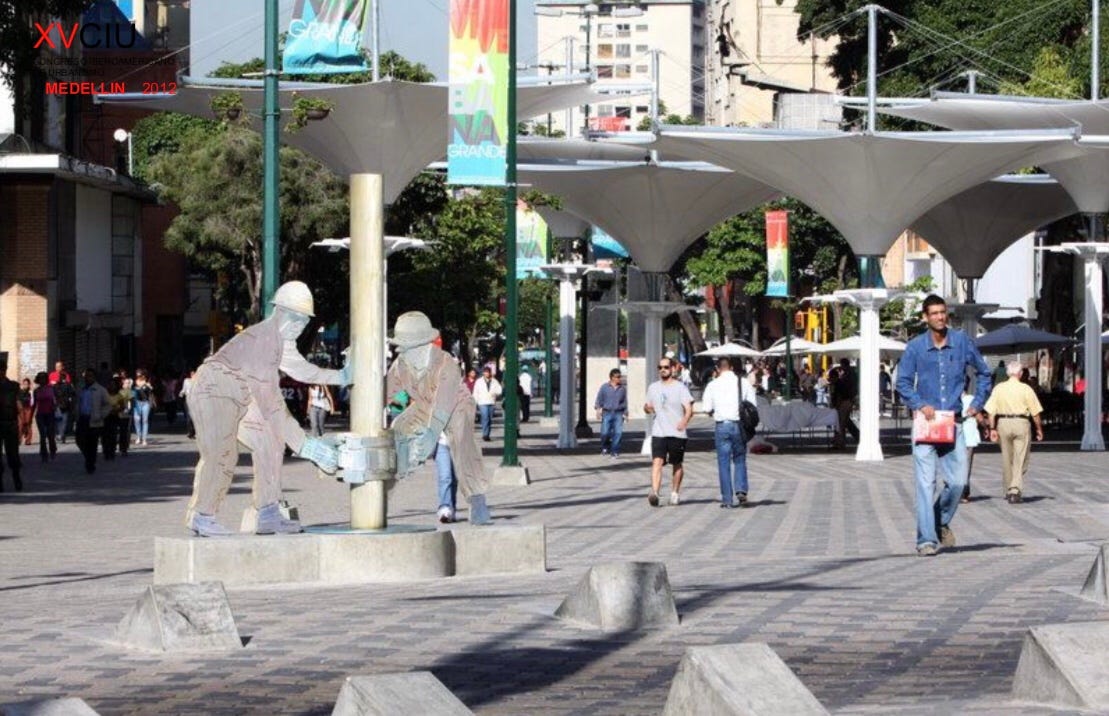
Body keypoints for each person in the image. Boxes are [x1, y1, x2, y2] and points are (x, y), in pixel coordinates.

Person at [184, 281, 347, 537]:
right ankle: (203, 515)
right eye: (300, 320)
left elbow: (304, 370)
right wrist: (307, 446)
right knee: (222, 453)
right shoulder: (264, 339)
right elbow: (271, 404)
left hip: (238, 392)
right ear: (282, 314)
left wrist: (343, 376)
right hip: (214, 388)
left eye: (305, 321)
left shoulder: (282, 341)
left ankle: (268, 513)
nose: (302, 326)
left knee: (270, 442)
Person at [896, 295, 991, 556]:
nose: (940, 317)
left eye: (943, 312)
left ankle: (938, 521)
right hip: (926, 424)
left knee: (959, 482)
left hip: (953, 422)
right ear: (925, 317)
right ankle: (926, 540)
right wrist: (918, 403)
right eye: (934, 313)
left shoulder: (961, 342)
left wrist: (978, 403)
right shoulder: (915, 347)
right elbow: (902, 382)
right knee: (926, 484)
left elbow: (984, 373)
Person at [387, 311, 491, 525]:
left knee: (462, 447)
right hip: (425, 405)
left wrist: (429, 435)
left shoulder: (445, 362)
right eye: (402, 346)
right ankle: (385, 489)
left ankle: (477, 499)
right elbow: (387, 393)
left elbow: (444, 405)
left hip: (456, 405)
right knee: (398, 427)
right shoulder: (400, 365)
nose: (404, 351)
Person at [985, 361, 1045, 504]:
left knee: (1007, 458)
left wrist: (992, 429)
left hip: (1003, 423)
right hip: (1021, 423)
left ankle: (1009, 488)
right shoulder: (1026, 389)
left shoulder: (999, 388)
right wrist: (1039, 429)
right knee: (1021, 458)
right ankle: (1014, 489)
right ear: (1021, 373)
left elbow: (990, 411)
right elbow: (1035, 413)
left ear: (1007, 373)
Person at [702, 357, 757, 508]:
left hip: (721, 426)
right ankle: (741, 490)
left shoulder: (712, 385)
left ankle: (727, 499)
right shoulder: (743, 382)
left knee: (723, 462)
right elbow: (752, 404)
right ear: (731, 367)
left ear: (718, 369)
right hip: (738, 425)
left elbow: (706, 408)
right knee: (739, 458)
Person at [644, 357, 694, 507]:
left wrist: (684, 421)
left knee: (676, 463)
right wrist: (647, 408)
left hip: (677, 432)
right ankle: (655, 492)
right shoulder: (653, 387)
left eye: (665, 367)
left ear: (672, 369)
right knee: (656, 462)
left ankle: (674, 492)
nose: (662, 370)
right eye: (660, 367)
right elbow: (647, 406)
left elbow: (689, 409)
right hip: (659, 431)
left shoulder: (680, 387)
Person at [75, 368, 112, 474]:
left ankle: (90, 464)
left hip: (95, 420)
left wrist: (101, 415)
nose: (88, 378)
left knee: (92, 443)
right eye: (86, 376)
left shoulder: (100, 390)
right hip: (82, 418)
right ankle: (88, 457)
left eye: (90, 376)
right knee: (80, 440)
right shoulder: (81, 389)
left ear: (94, 377)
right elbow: (77, 402)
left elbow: (108, 405)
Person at [959, 376, 987, 503]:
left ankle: (953, 490)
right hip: (968, 437)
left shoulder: (949, 400)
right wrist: (986, 427)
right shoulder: (971, 399)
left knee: (953, 465)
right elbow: (980, 418)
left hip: (952, 437)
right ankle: (964, 493)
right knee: (966, 465)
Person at [0, 356, 22, 492]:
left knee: (13, 454)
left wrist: (23, 423)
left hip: (10, 424)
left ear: (5, 370)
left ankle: (16, 478)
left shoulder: (13, 386)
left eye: (1, 370)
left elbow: (18, 404)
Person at [594, 368, 627, 458]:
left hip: (618, 413)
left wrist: (626, 413)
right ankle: (605, 446)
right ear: (612, 377)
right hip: (607, 412)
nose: (619, 379)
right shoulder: (604, 387)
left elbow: (624, 401)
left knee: (618, 433)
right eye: (617, 377)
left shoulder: (622, 388)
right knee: (604, 432)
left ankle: (615, 451)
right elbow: (599, 399)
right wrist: (598, 410)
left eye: (620, 377)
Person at [831, 358, 860, 449]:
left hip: (845, 401)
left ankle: (840, 443)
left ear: (844, 365)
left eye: (841, 365)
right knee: (846, 422)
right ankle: (859, 437)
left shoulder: (848, 375)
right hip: (848, 400)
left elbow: (844, 390)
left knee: (841, 423)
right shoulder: (850, 373)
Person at [472, 366, 502, 442]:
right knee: (485, 417)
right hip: (482, 402)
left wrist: (494, 392)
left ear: (490, 373)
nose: (486, 373)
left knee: (489, 419)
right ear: (483, 373)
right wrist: (475, 402)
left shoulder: (494, 381)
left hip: (491, 401)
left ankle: (487, 434)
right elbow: (475, 392)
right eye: (485, 372)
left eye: (488, 372)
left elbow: (499, 390)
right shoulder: (479, 381)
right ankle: (485, 434)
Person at [32, 372, 57, 463]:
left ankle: (53, 449)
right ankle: (44, 454)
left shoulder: (52, 389)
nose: (42, 380)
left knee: (50, 434)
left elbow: (56, 399)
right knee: (42, 435)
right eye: (40, 379)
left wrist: (55, 406)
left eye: (44, 378)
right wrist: (31, 416)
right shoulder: (36, 391)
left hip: (50, 413)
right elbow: (34, 404)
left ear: (46, 380)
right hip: (40, 415)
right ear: (38, 380)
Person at [103, 378, 129, 461]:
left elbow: (123, 406)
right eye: (110, 385)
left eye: (113, 385)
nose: (111, 386)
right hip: (106, 416)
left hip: (116, 416)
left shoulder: (119, 395)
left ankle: (115, 450)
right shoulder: (105, 395)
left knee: (115, 434)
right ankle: (106, 450)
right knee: (106, 435)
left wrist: (116, 409)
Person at [49, 362, 75, 444]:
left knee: (64, 419)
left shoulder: (66, 375)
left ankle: (62, 434)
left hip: (65, 402)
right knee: (58, 419)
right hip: (56, 402)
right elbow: (50, 385)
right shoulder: (52, 375)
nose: (57, 368)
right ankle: (59, 434)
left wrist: (70, 398)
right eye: (56, 366)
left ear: (62, 367)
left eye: (59, 366)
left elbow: (69, 386)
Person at [434, 437, 458, 523]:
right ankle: (444, 507)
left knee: (455, 478)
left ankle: (451, 509)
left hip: (458, 443)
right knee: (445, 476)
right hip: (440, 442)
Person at [131, 370, 155, 446]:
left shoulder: (147, 383)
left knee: (145, 420)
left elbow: (151, 390)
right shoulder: (134, 383)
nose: (139, 377)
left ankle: (144, 439)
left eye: (140, 375)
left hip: (145, 403)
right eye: (137, 375)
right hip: (137, 403)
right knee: (137, 420)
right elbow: (131, 393)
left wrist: (147, 385)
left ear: (144, 375)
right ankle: (138, 436)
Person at [17, 378, 34, 446]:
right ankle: (19, 440)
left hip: (28, 409)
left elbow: (32, 402)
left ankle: (28, 440)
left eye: (27, 384)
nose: (25, 385)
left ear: (29, 385)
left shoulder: (31, 392)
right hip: (21, 409)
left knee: (28, 424)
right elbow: (17, 400)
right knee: (20, 425)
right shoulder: (19, 392)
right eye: (24, 384)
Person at [180, 369, 195, 439]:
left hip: (197, 401)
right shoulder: (186, 381)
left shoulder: (200, 382)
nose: (193, 375)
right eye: (192, 373)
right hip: (188, 400)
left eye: (194, 373)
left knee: (195, 417)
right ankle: (190, 431)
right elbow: (184, 389)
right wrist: (181, 393)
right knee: (189, 417)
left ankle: (194, 431)